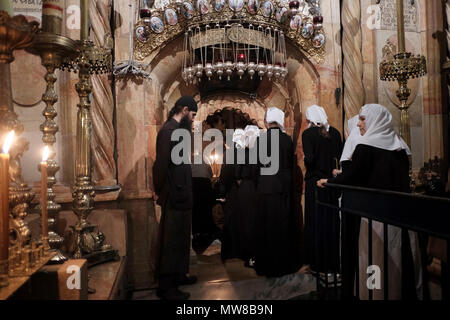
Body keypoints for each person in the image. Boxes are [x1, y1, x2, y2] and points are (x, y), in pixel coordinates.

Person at [317, 103, 422, 300]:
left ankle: (375, 295)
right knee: (395, 261)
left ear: (376, 120)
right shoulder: (398, 146)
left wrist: (329, 182)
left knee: (375, 261)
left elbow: (352, 178)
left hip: (375, 217)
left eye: (363, 119)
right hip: (397, 216)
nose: (358, 124)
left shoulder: (365, 147)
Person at [152, 96, 198, 300]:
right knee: (171, 240)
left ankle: (179, 275)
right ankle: (167, 287)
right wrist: (160, 189)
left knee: (181, 237)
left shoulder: (178, 131)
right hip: (173, 194)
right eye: (193, 115)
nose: (194, 119)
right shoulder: (167, 131)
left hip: (182, 193)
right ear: (185, 110)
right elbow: (161, 165)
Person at [254, 107, 303, 277]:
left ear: (268, 121)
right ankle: (282, 265)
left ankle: (265, 265)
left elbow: (256, 166)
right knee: (281, 228)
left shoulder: (260, 139)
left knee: (265, 228)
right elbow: (290, 164)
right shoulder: (286, 140)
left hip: (264, 188)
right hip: (281, 188)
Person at [302, 105, 343, 275]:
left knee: (315, 222)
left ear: (310, 119)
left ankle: (317, 263)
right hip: (332, 183)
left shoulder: (308, 134)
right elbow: (339, 158)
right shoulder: (335, 133)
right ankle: (333, 263)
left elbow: (310, 159)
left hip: (315, 184)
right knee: (331, 222)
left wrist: (305, 159)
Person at [191, 121, 216, 251]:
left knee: (196, 211)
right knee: (205, 210)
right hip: (204, 187)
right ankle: (206, 232)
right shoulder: (205, 162)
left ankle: (197, 232)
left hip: (194, 188)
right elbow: (211, 176)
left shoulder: (192, 161)